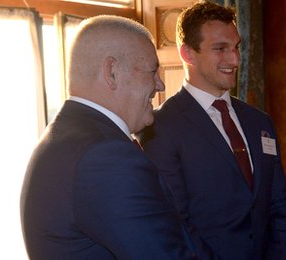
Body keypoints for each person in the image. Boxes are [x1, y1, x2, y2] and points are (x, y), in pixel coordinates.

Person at [20, 15, 198, 259]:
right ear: (112, 72)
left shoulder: (63, 136)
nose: (160, 85)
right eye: (152, 71)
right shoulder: (106, 157)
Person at [138, 2, 286, 260]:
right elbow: (176, 223)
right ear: (187, 53)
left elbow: (280, 203)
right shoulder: (160, 128)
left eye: (236, 48)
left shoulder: (260, 123)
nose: (234, 59)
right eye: (220, 49)